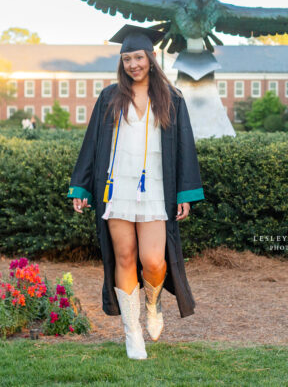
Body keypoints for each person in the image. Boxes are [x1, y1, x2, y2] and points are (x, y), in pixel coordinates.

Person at [67, 24, 204, 360]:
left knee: (153, 261)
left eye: (138, 57)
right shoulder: (110, 97)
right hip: (116, 188)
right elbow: (92, 145)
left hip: (156, 189)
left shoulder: (171, 99)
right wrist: (82, 185)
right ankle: (132, 334)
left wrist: (185, 193)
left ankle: (153, 303)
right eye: (127, 58)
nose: (133, 64)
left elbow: (185, 146)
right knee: (124, 256)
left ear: (151, 58)